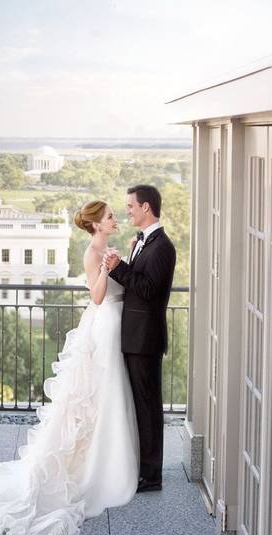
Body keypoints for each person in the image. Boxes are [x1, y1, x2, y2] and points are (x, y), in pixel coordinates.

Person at [0, 200, 139, 535]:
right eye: (110, 216)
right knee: (97, 397)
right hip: (103, 323)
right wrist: (110, 268)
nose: (115, 220)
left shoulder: (106, 249)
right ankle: (92, 473)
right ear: (96, 225)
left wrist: (118, 264)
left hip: (114, 324)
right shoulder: (93, 254)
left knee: (108, 397)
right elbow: (96, 297)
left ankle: (109, 465)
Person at [103, 185, 177, 492]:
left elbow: (147, 291)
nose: (128, 211)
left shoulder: (163, 247)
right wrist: (126, 263)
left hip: (145, 339)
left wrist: (118, 268)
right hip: (135, 336)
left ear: (146, 207)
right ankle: (143, 467)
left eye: (131, 206)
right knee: (140, 405)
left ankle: (152, 475)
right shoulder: (144, 242)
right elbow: (140, 282)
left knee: (148, 407)